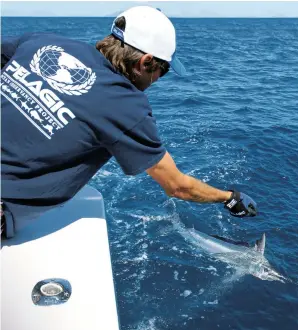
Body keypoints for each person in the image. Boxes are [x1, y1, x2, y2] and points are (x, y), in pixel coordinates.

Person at [0, 6, 257, 239]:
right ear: (145, 62)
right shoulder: (127, 107)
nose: (159, 78)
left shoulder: (44, 42)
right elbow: (178, 187)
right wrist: (229, 197)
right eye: (163, 70)